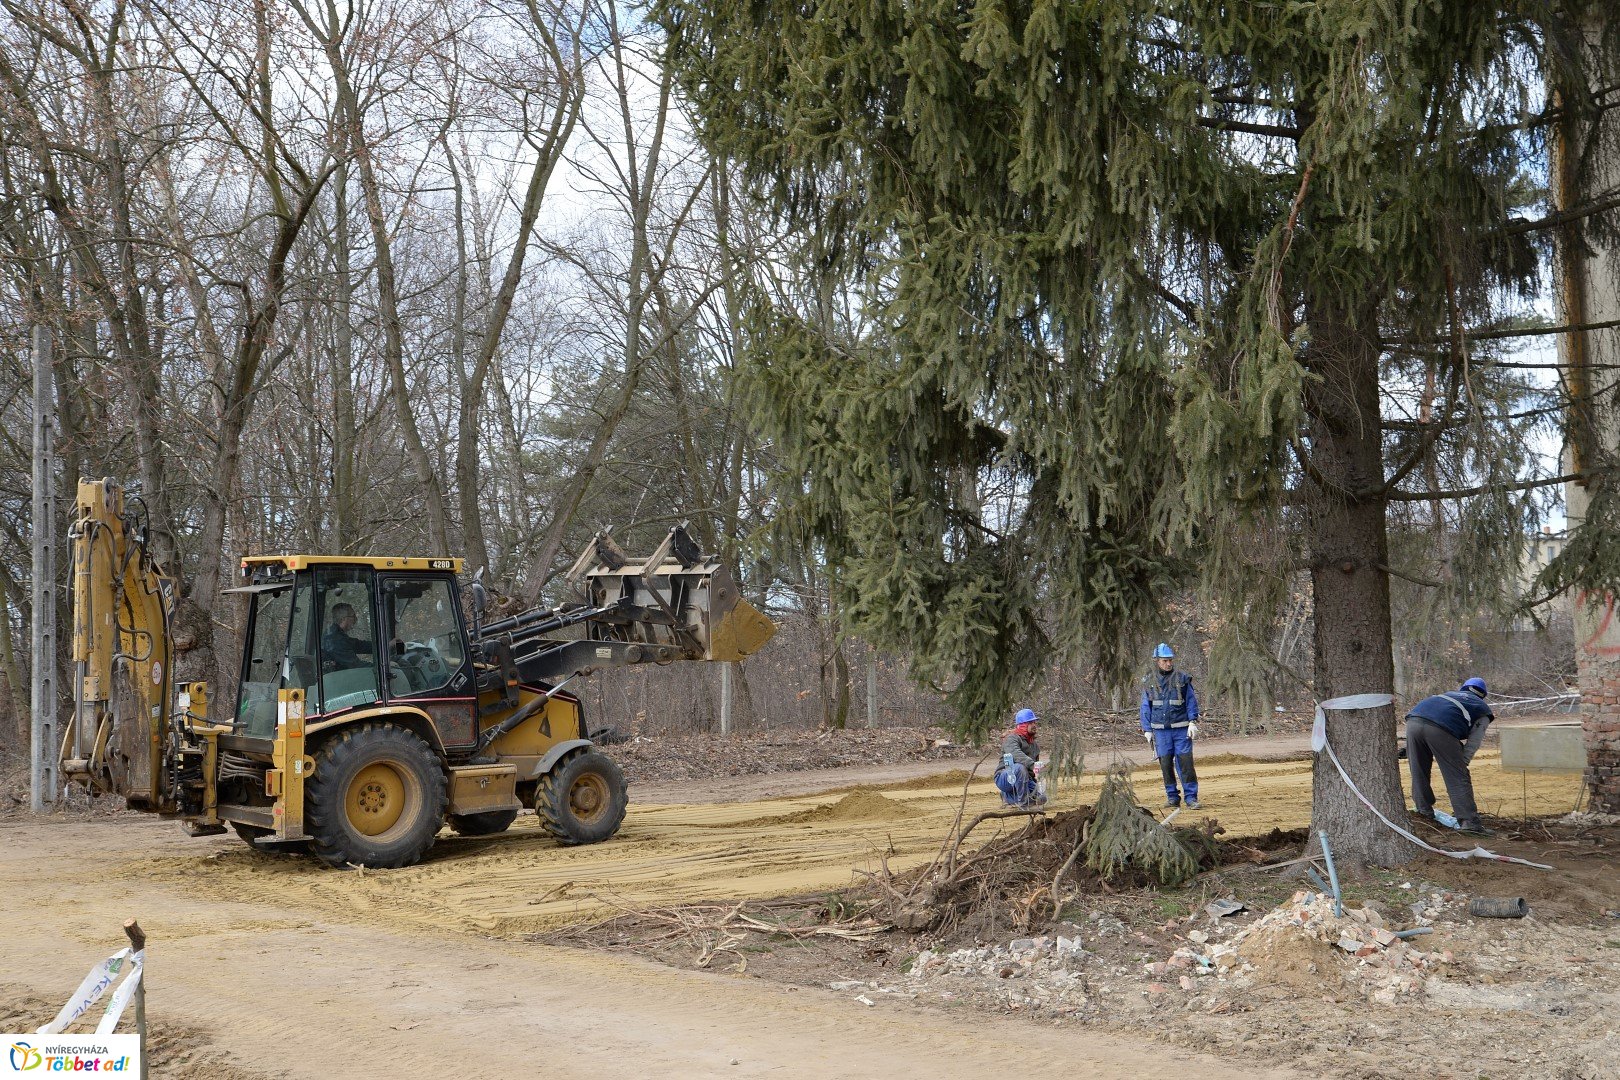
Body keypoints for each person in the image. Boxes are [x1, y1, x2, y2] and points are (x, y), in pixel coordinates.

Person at [1405, 677, 1495, 836]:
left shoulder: (1446, 696)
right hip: (1441, 729)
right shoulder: (1481, 708)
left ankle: (1423, 812)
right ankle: (1470, 824)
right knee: (1458, 777)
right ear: (1483, 695)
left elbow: (1427, 717)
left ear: (1463, 688)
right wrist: (1462, 763)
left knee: (1418, 770)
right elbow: (1474, 741)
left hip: (1413, 723)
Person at [1140, 643, 1200, 809]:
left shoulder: (1182, 678)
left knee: (1185, 764)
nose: (1168, 663)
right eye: (1165, 660)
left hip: (1181, 729)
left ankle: (1191, 797)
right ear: (1157, 661)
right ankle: (1172, 797)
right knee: (1165, 764)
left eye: (1170, 660)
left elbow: (1190, 701)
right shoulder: (1149, 681)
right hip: (1161, 731)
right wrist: (1147, 729)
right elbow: (1145, 706)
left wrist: (1192, 722)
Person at [995, 708, 1046, 807]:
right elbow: (1016, 754)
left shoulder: (1034, 745)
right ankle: (1023, 804)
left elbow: (1033, 772)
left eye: (1035, 722)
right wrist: (1033, 764)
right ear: (1022, 725)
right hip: (1005, 777)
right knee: (1019, 767)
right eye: (1030, 722)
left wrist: (1035, 784)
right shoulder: (1012, 739)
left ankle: (1008, 797)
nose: (1034, 725)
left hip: (1025, 779)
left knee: (1042, 798)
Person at [322, 602, 375, 670]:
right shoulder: (335, 639)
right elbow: (356, 666)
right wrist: (381, 667)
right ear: (344, 618)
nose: (356, 619)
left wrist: (387, 645)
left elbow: (359, 645)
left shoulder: (339, 635)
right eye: (353, 616)